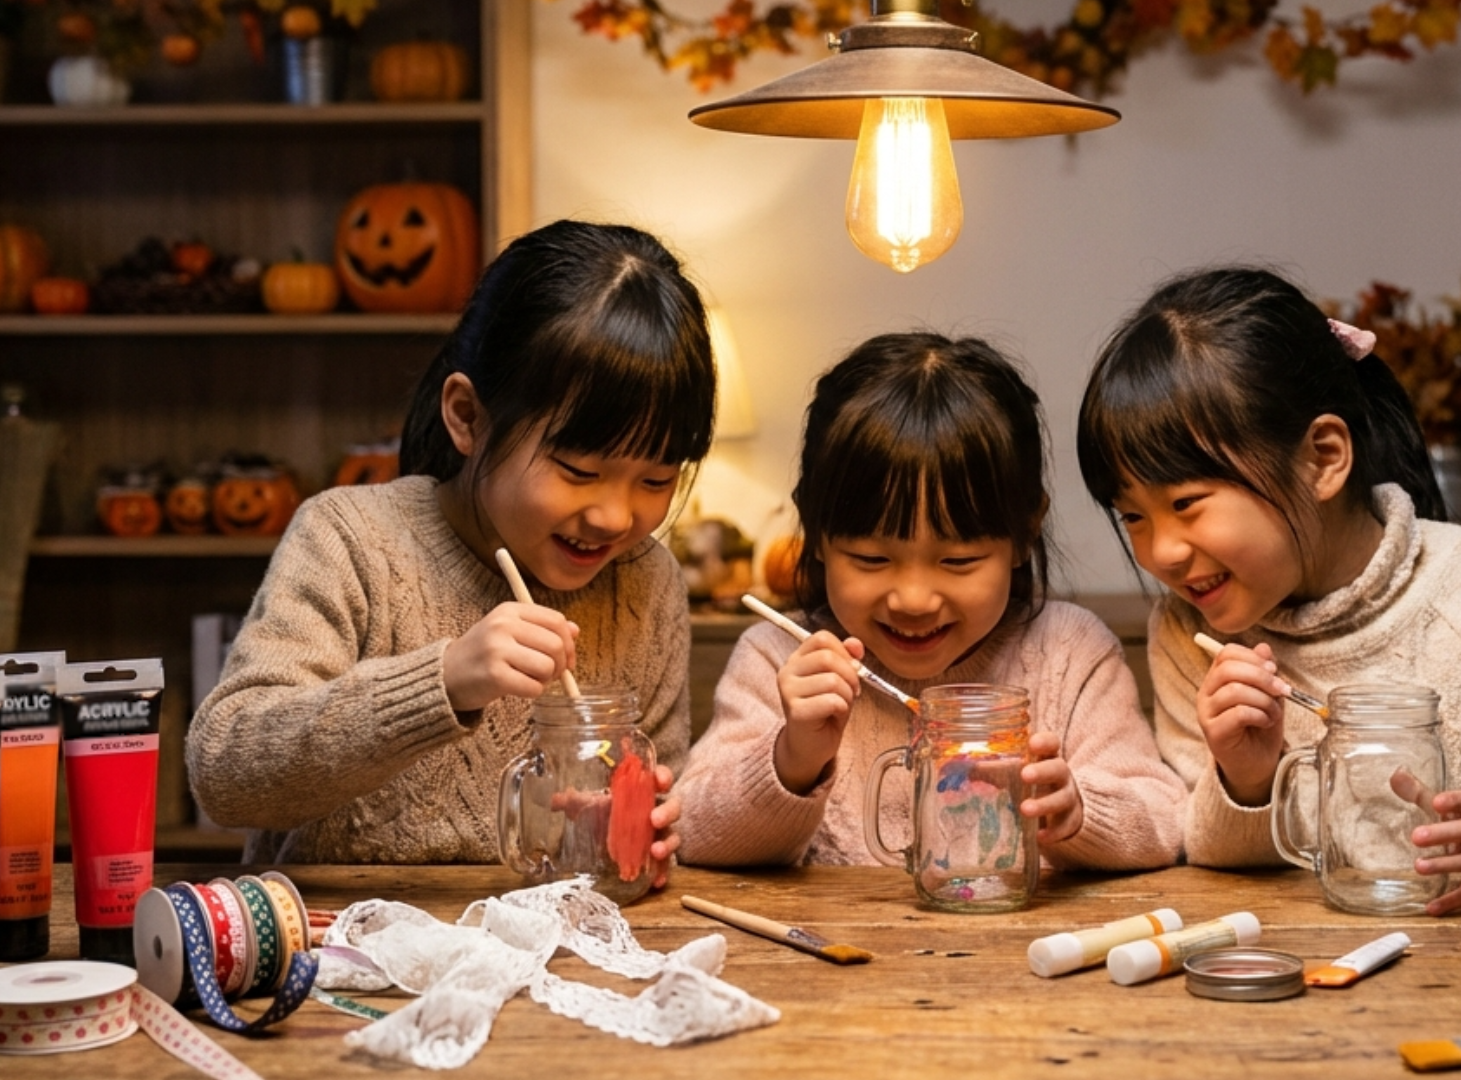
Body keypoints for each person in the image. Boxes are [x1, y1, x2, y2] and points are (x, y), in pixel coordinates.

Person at [1075, 266, 1461, 914]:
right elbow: (1207, 851)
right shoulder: (1192, 635)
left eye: (1186, 502)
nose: (1161, 551)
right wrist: (1247, 778)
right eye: (1133, 516)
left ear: (1323, 457)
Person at [188, 220, 711, 883]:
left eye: (656, 481)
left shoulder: (646, 584)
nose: (614, 515)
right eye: (578, 470)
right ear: (467, 416)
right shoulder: (350, 538)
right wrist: (441, 681)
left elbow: (654, 806)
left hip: (550, 958)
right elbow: (225, 772)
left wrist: (650, 831)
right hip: (341, 954)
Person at [678, 332, 1184, 870]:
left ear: (1025, 532)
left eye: (958, 562)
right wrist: (793, 757)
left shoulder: (1069, 654)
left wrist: (1079, 813)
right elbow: (692, 832)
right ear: (817, 532)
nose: (913, 600)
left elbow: (1162, 821)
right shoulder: (778, 657)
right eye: (872, 559)